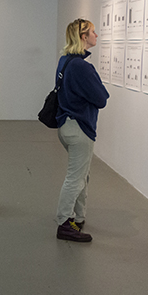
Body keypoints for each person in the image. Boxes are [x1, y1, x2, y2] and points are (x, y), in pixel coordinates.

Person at [54, 19, 109, 242]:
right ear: (83, 37)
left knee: (81, 176)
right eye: (93, 32)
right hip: (79, 127)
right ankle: (63, 223)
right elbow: (101, 98)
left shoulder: (65, 61)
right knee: (76, 178)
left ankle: (77, 217)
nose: (97, 35)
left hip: (67, 125)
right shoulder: (82, 67)